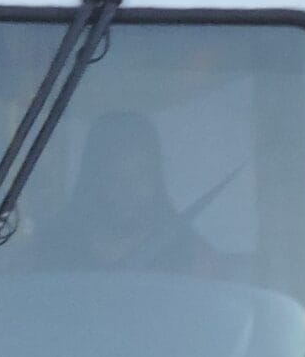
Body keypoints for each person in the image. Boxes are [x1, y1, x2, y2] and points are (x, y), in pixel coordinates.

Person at [45, 111, 213, 274]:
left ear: (157, 179)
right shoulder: (52, 249)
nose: (128, 188)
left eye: (141, 174)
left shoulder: (193, 258)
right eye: (114, 175)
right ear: (94, 179)